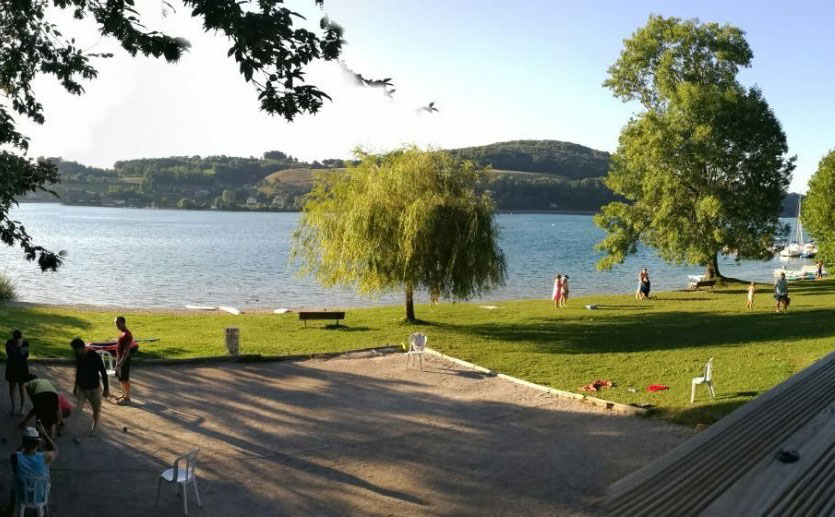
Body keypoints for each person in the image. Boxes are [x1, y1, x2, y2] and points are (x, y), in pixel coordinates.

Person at [9, 423, 57, 510]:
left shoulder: (16, 457)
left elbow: (14, 453)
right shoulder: (45, 457)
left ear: (24, 442)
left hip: (22, 495)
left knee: (14, 482)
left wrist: (23, 444)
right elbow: (55, 450)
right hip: (40, 496)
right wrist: (45, 434)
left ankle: (11, 510)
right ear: (38, 444)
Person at [71, 338, 110, 436]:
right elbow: (78, 371)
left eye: (76, 349)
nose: (76, 352)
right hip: (82, 387)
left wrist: (106, 389)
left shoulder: (94, 356)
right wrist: (75, 386)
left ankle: (95, 426)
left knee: (96, 409)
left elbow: (103, 372)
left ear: (82, 347)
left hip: (94, 388)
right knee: (78, 409)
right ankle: (75, 430)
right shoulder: (78, 356)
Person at [5, 330, 30, 416]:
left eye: (18, 339)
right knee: (12, 387)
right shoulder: (9, 343)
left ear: (21, 337)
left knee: (21, 387)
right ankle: (13, 407)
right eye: (15, 339)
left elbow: (26, 355)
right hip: (12, 367)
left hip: (22, 368)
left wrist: (18, 350)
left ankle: (22, 408)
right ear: (13, 338)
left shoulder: (26, 343)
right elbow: (9, 354)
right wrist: (19, 350)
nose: (17, 341)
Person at [114, 316, 134, 404]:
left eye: (117, 323)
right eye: (115, 323)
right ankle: (123, 394)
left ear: (123, 322)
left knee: (125, 379)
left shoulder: (127, 334)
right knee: (121, 378)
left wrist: (121, 362)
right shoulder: (122, 333)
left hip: (125, 359)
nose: (116, 325)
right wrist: (117, 361)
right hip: (120, 358)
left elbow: (126, 351)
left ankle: (127, 398)